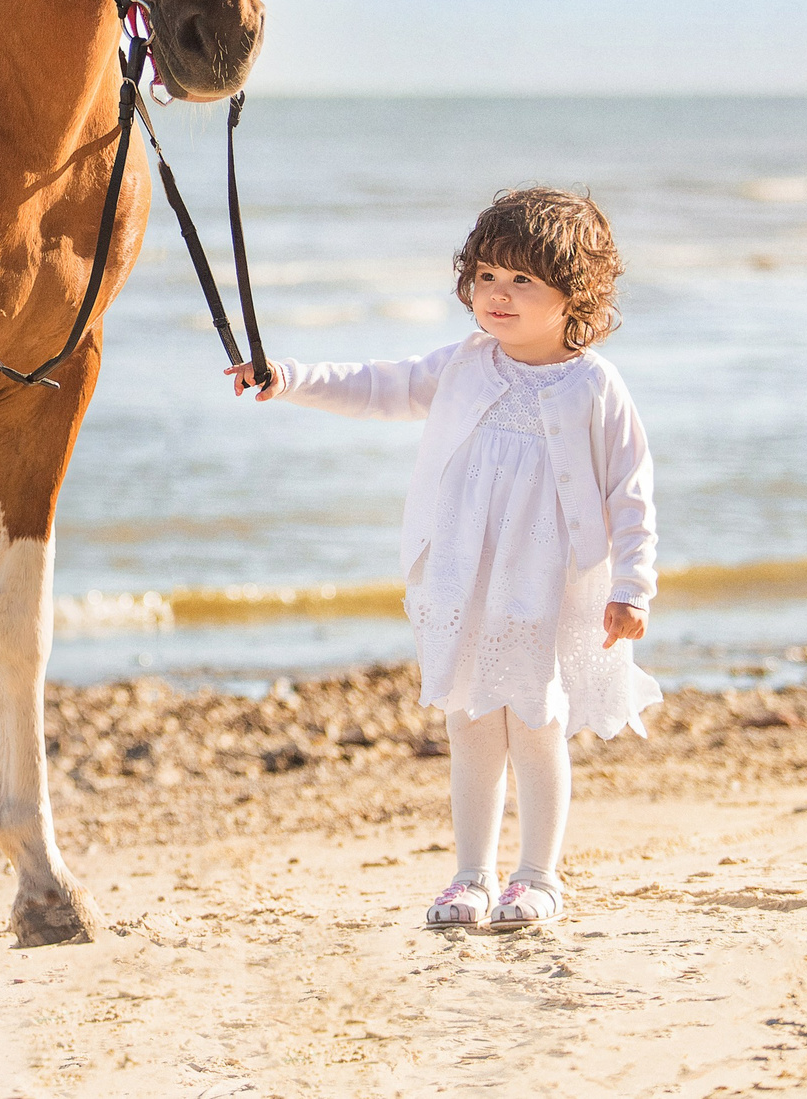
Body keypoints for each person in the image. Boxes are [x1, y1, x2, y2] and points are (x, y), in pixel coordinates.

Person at [228, 186, 660, 930]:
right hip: (464, 574)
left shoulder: (594, 385)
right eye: (488, 275)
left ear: (575, 294)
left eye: (523, 280)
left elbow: (632, 491)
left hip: (544, 582)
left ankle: (537, 875)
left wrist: (632, 586)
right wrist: (288, 375)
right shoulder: (465, 362)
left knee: (533, 719)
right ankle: (471, 875)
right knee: (468, 719)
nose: (499, 293)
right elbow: (380, 385)